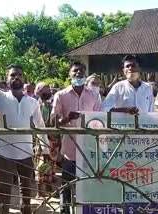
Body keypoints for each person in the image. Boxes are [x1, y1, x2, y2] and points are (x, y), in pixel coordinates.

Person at [0, 48, 49, 214]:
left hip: (26, 152)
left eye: (19, 75)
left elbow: (40, 125)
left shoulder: (32, 102)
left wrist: (46, 149)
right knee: (4, 191)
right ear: (7, 79)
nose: (16, 78)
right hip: (4, 153)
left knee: (27, 191)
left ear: (24, 79)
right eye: (12, 75)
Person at [51, 61, 102, 214]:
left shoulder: (94, 94)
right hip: (70, 149)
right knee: (67, 184)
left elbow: (100, 118)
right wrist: (67, 119)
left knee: (87, 184)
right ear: (70, 75)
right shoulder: (60, 95)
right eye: (75, 71)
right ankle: (64, 210)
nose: (78, 73)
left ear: (85, 75)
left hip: (89, 148)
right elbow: (54, 123)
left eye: (81, 71)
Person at [34, 82, 61, 197]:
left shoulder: (51, 105)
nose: (47, 92)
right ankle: (40, 191)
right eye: (44, 90)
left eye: (48, 90)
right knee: (41, 164)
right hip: (40, 138)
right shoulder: (35, 105)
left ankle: (49, 187)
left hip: (52, 138)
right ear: (38, 92)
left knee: (51, 163)